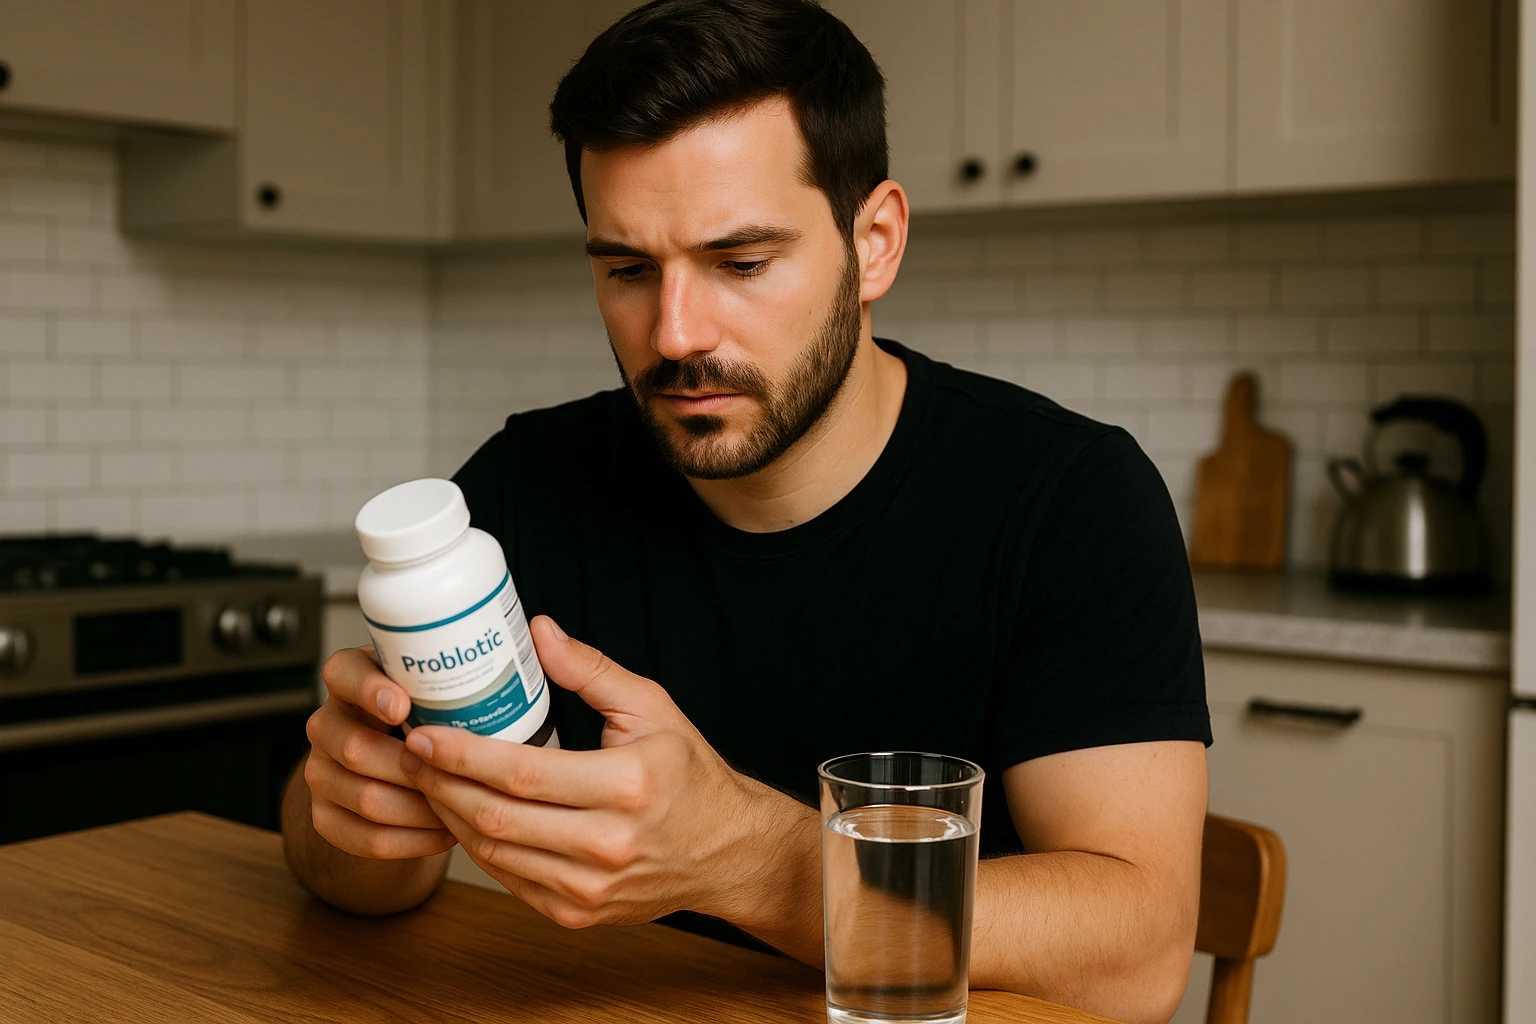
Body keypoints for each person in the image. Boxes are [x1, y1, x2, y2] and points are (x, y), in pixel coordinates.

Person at [281, 2, 1211, 1021]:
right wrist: (352, 809)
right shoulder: (525, 482)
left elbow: (1137, 955)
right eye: (628, 269)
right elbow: (356, 875)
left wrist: (755, 862)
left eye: (741, 262)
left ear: (878, 242)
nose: (675, 332)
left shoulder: (1069, 497)